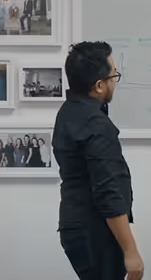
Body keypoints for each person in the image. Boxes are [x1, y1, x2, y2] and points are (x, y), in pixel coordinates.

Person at [52, 41, 143, 280]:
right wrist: (130, 251)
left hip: (77, 227)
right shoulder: (95, 124)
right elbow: (108, 192)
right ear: (99, 86)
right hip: (95, 231)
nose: (116, 80)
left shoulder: (69, 112)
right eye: (114, 75)